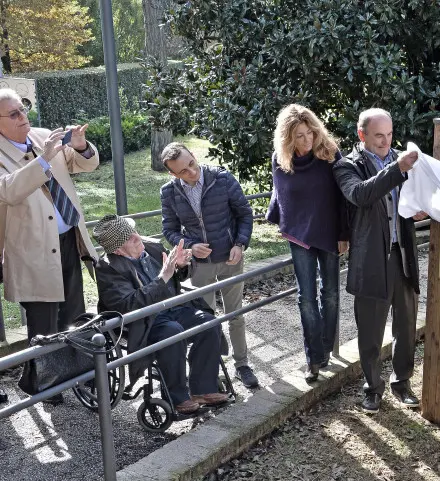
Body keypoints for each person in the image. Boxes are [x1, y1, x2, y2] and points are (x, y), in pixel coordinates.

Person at [0, 88, 99, 404]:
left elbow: (83, 164)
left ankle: (78, 375)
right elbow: (10, 191)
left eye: (24, 108)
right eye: (14, 114)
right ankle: (40, 385)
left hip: (69, 238)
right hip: (33, 249)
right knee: (44, 322)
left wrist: (81, 147)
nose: (23, 117)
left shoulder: (43, 136)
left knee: (74, 309)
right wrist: (43, 159)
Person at [332, 108, 427, 414]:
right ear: (362, 135)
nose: (386, 142)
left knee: (407, 324)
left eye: (389, 135)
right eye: (378, 136)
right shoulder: (347, 166)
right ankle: (372, 388)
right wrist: (397, 169)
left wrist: (421, 209)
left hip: (404, 255)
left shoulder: (404, 158)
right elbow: (360, 195)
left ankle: (402, 383)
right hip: (371, 259)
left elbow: (419, 197)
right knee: (371, 332)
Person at [93, 215, 229, 414]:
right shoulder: (107, 268)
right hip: (145, 320)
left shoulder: (154, 247)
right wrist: (163, 277)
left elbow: (175, 277)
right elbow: (129, 304)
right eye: (127, 237)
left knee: (208, 323)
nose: (135, 236)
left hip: (174, 308)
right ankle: (177, 397)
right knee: (172, 333)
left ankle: (203, 389)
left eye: (132, 231)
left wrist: (181, 267)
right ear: (117, 250)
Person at [160, 143, 259, 388]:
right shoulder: (169, 192)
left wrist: (240, 244)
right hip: (200, 264)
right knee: (206, 319)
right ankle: (211, 371)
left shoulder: (222, 178)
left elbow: (245, 214)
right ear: (173, 174)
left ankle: (242, 364)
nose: (191, 172)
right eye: (183, 171)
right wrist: (191, 246)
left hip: (230, 258)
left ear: (194, 156)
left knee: (235, 314)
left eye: (191, 164)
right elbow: (169, 230)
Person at [267, 104, 349, 383]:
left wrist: (344, 234)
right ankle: (313, 359)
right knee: (306, 298)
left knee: (331, 294)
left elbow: (342, 198)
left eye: (309, 133)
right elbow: (280, 191)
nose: (306, 140)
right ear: (288, 138)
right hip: (298, 235)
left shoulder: (329, 154)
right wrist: (278, 218)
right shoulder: (280, 158)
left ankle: (325, 348)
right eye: (299, 136)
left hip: (329, 231)